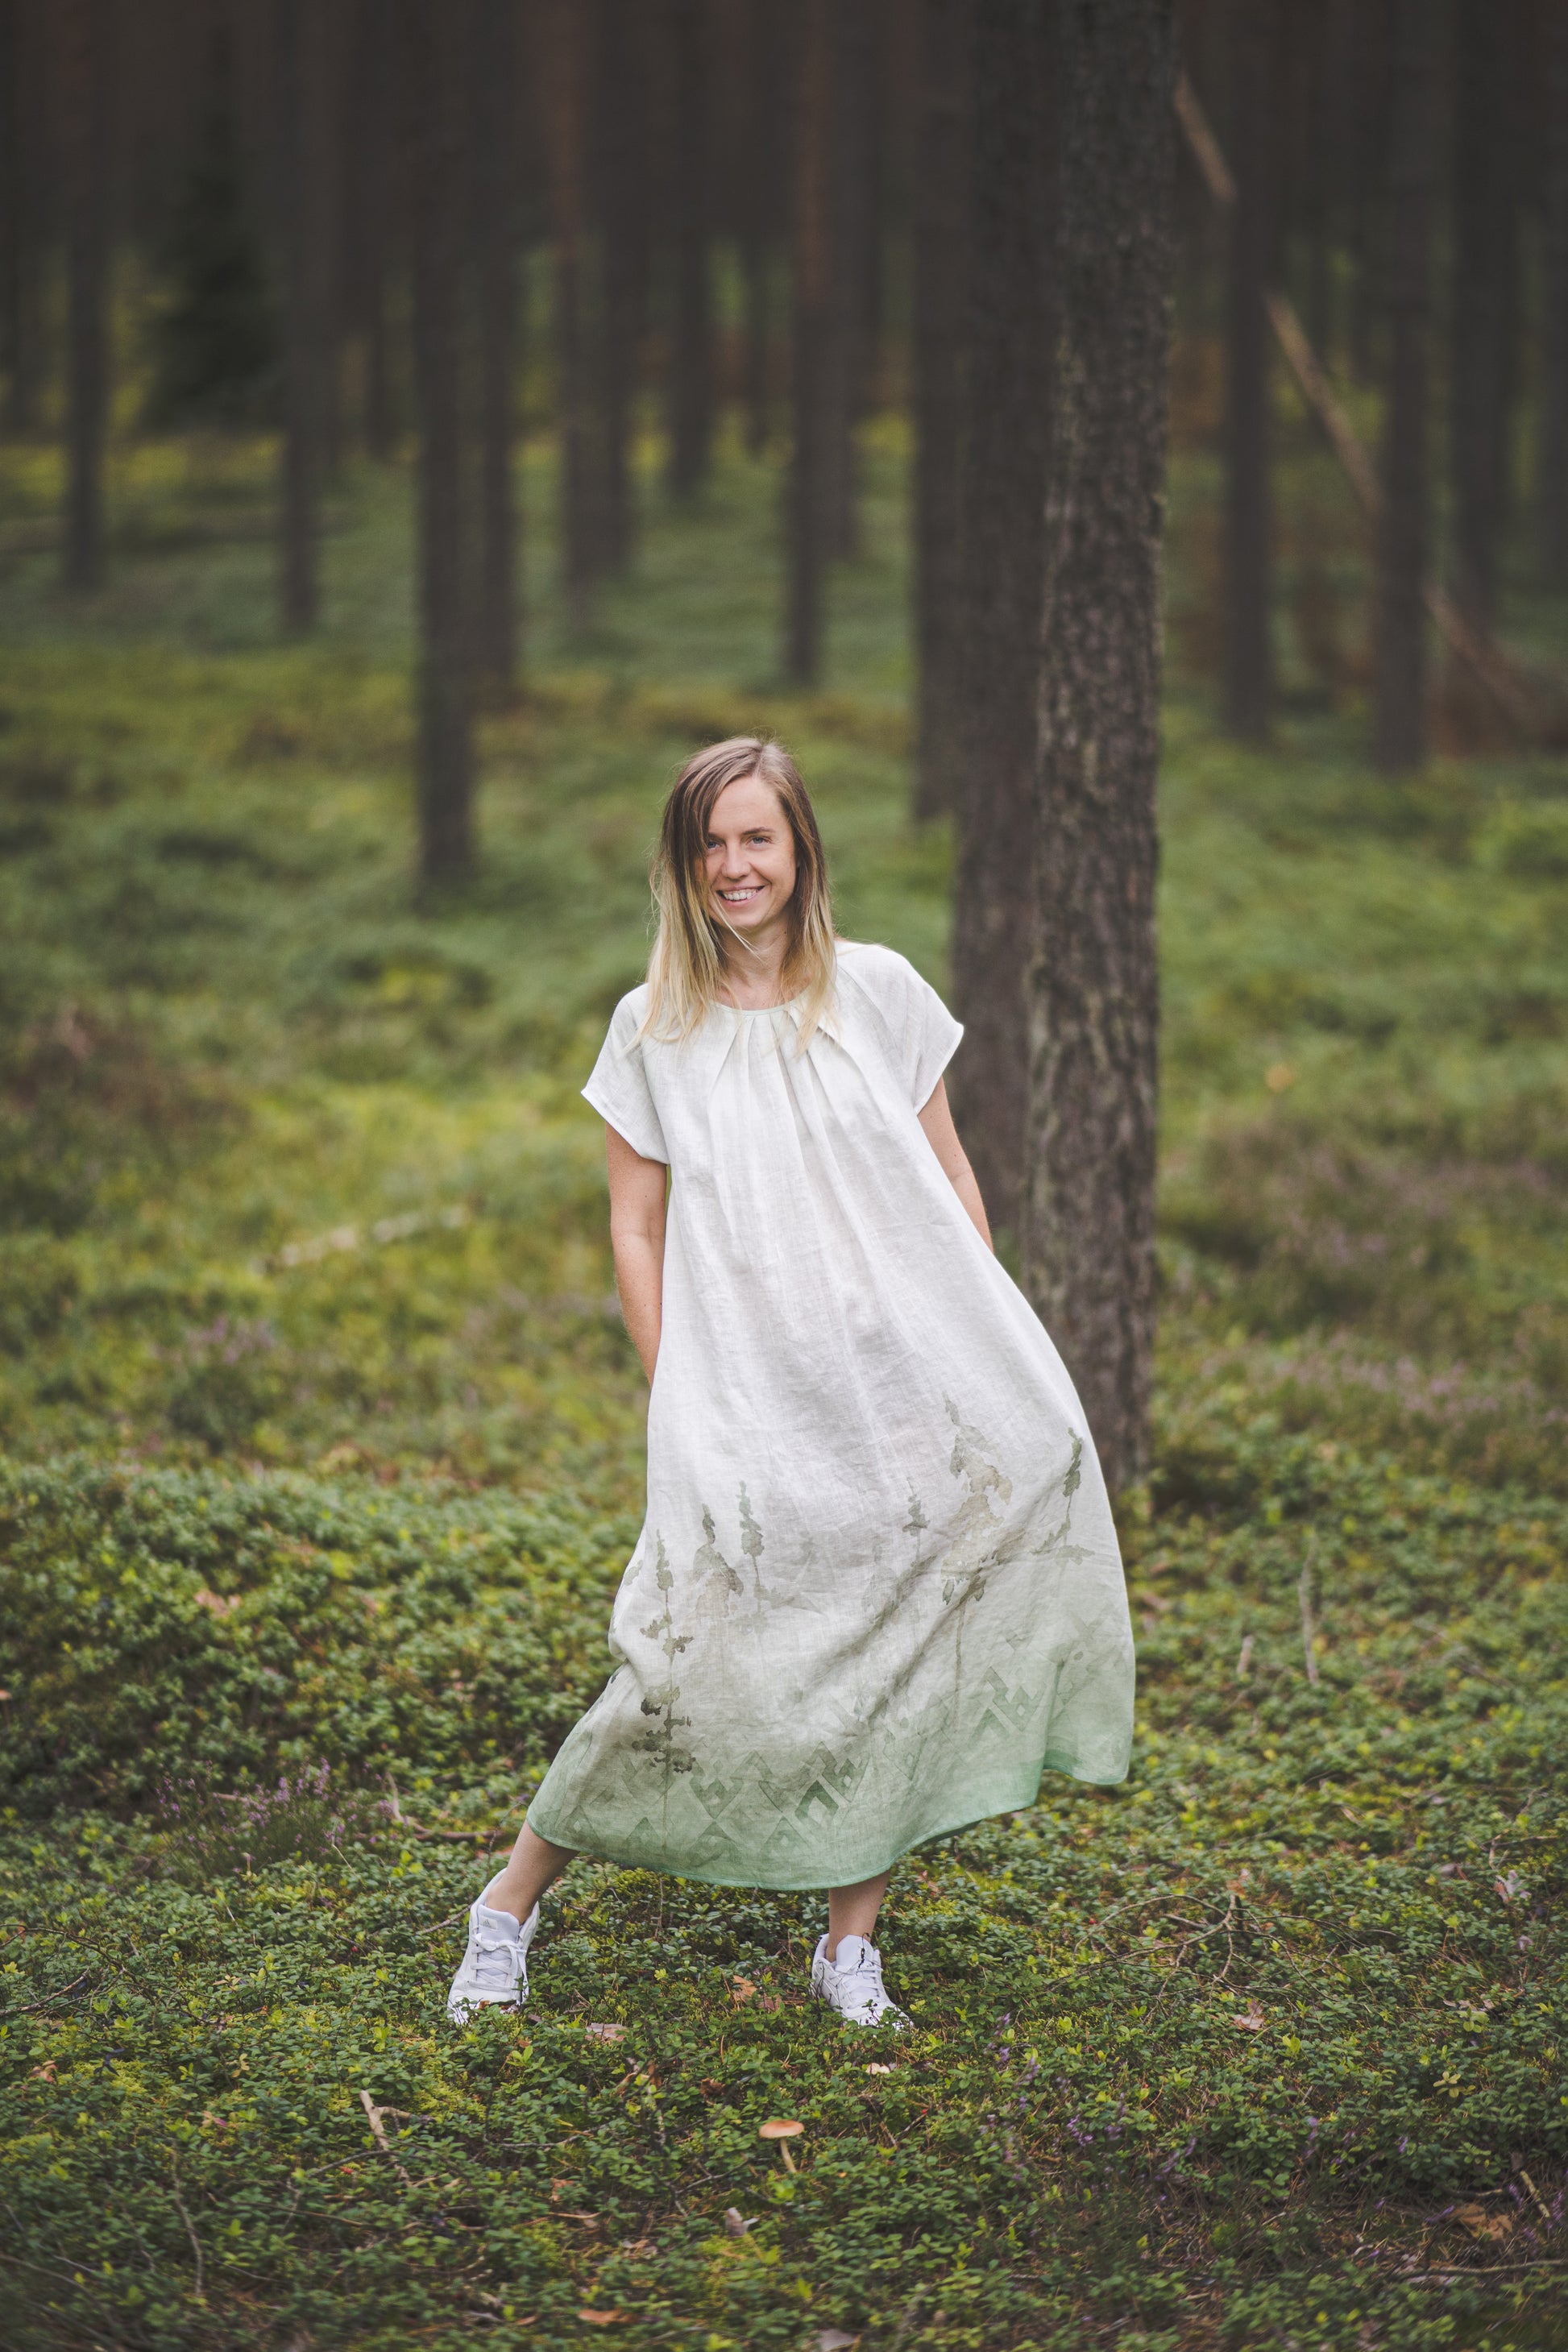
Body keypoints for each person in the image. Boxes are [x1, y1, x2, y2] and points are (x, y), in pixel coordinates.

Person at [447, 737, 1134, 2030]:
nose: (733, 866)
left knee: (897, 1637)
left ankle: (848, 1944)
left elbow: (950, 1184)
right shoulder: (651, 1028)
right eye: (709, 844)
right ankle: (506, 1905)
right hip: (745, 1403)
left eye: (755, 838)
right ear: (681, 867)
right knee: (678, 1656)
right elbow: (634, 1231)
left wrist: (977, 1353)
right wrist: (677, 1394)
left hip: (892, 1385)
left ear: (800, 848)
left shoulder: (877, 993)